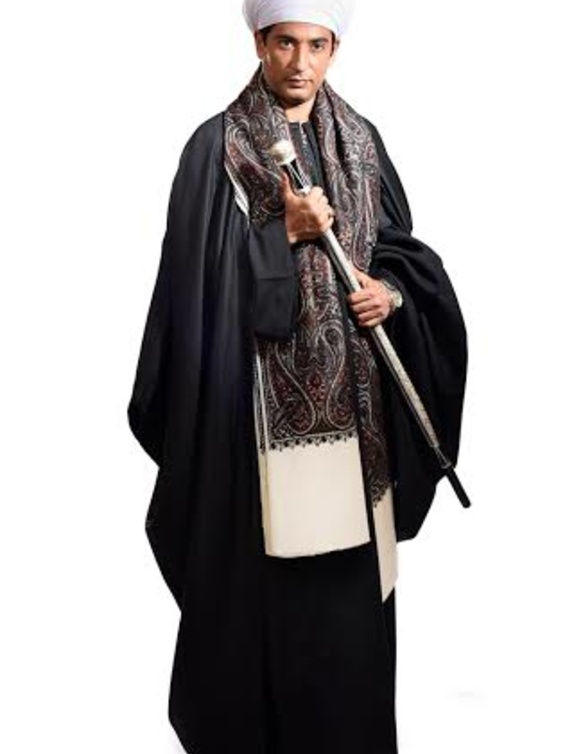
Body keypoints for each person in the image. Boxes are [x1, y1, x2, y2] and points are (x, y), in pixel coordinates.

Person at [127, 1, 467, 752]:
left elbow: (398, 250)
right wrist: (282, 232)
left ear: (333, 49)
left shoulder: (361, 141)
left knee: (350, 637)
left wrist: (390, 293)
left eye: (316, 45)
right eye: (285, 43)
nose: (300, 63)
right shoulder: (215, 149)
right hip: (253, 442)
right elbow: (193, 293)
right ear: (259, 42)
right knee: (269, 620)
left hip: (359, 430)